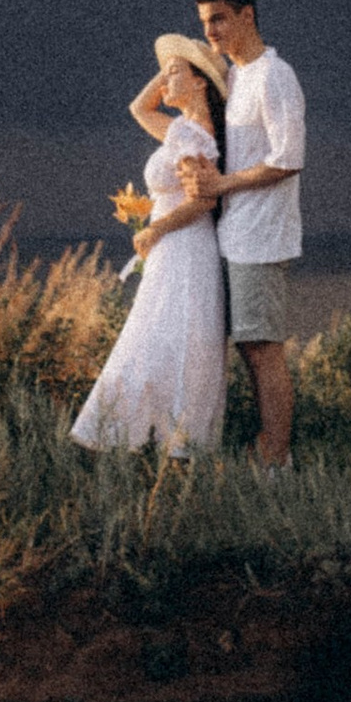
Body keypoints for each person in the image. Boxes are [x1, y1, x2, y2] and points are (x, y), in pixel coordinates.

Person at [70, 37, 231, 453]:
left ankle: (162, 442)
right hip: (173, 248)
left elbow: (205, 198)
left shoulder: (197, 136)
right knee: (155, 337)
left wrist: (157, 230)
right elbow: (140, 108)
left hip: (184, 246)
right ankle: (143, 437)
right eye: (167, 73)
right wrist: (171, 69)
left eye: (176, 73)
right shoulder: (181, 130)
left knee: (167, 338)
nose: (165, 81)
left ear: (200, 84)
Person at [179, 0, 304, 468]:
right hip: (233, 234)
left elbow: (288, 157)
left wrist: (220, 186)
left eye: (219, 19)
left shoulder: (275, 76)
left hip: (263, 237)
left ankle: (276, 460)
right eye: (204, 22)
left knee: (262, 349)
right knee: (245, 347)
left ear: (247, 16)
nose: (210, 31)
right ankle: (263, 449)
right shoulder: (236, 78)